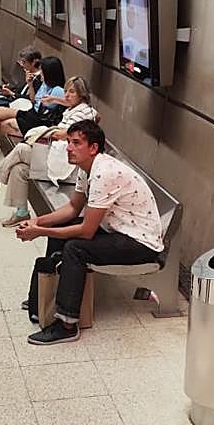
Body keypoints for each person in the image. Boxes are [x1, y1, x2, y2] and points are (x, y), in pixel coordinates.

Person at [16, 120, 164, 344]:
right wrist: (38, 222)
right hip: (119, 230)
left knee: (75, 248)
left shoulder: (104, 174)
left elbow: (86, 231)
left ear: (93, 148)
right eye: (69, 142)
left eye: (76, 143)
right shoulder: (87, 168)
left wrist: (40, 232)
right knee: (60, 229)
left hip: (141, 244)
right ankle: (44, 297)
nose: (68, 148)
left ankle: (67, 324)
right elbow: (72, 208)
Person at [0, 76, 99, 227]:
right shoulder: (77, 109)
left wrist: (47, 132)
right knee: (19, 169)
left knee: (22, 149)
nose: (67, 95)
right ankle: (21, 212)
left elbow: (63, 134)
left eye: (72, 92)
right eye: (66, 91)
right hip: (58, 155)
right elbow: (92, 117)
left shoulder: (83, 113)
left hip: (69, 165)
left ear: (81, 94)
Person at [0, 55, 68, 176]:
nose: (40, 72)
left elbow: (66, 104)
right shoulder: (44, 84)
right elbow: (34, 101)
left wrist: (53, 100)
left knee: (1, 125)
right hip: (32, 113)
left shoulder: (58, 90)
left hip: (39, 120)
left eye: (42, 70)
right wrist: (30, 85)